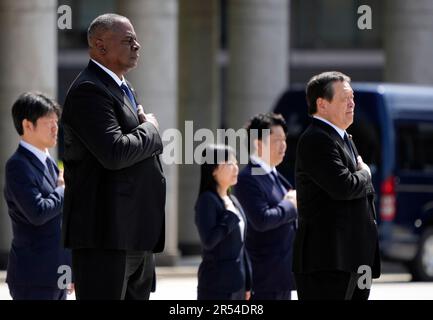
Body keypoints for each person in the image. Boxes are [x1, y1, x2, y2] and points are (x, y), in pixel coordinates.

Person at [61, 13, 165, 300]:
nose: (137, 46)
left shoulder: (124, 88)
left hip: (134, 234)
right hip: (105, 236)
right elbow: (115, 152)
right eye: (128, 40)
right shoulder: (88, 91)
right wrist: (151, 130)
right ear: (100, 46)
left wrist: (144, 133)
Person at [293, 71, 381, 300]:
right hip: (329, 262)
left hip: (353, 259)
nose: (352, 103)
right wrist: (365, 173)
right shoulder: (316, 139)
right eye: (345, 98)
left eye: (352, 97)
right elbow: (344, 186)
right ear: (322, 104)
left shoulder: (344, 138)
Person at [4, 92, 72, 300]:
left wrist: (70, 270)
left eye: (56, 122)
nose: (55, 128)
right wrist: (62, 189)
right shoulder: (18, 166)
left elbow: (63, 221)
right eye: (48, 122)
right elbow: (37, 212)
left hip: (58, 274)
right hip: (33, 277)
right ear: (27, 125)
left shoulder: (49, 162)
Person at [235, 113, 298, 300]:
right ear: (258, 143)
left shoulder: (277, 176)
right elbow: (261, 220)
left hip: (282, 277)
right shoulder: (248, 179)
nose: (283, 145)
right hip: (263, 279)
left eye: (284, 140)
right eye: (277, 140)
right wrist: (290, 205)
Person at [195, 145, 252, 300]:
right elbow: (209, 241)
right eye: (229, 163)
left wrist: (248, 283)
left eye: (236, 163)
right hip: (216, 286)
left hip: (238, 286)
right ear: (214, 169)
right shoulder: (207, 200)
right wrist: (229, 217)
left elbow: (242, 245)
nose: (236, 168)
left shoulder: (233, 200)